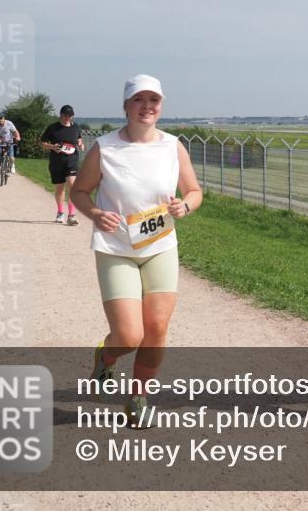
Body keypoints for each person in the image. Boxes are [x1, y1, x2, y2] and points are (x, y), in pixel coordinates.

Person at [71, 75, 202, 426]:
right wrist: (96, 213)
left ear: (161, 106)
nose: (147, 106)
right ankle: (106, 358)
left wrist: (185, 207)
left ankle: (139, 397)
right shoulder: (105, 147)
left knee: (157, 327)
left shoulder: (173, 146)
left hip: (160, 245)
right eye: (139, 100)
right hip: (116, 247)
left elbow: (194, 191)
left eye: (153, 100)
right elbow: (79, 192)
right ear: (126, 106)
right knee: (130, 334)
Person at [40, 105, 86, 225]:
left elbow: (79, 139)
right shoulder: (53, 128)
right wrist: (52, 147)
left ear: (72, 116)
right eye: (65, 115)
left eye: (69, 116)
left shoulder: (76, 127)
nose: (67, 118)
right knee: (60, 188)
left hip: (72, 159)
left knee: (72, 184)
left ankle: (72, 215)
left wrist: (81, 144)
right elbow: (42, 143)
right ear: (60, 115)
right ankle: (60, 212)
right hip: (57, 161)